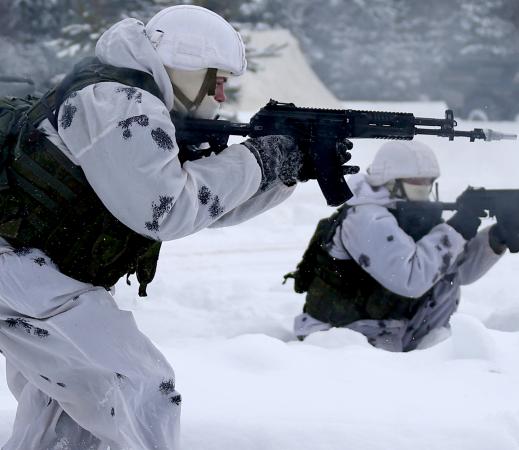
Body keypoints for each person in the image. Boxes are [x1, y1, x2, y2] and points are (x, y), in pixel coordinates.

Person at [0, 6, 326, 449]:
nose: (220, 96)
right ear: (185, 66)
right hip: (24, 275)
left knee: (69, 408)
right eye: (216, 80)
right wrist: (259, 160)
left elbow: (203, 206)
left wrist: (283, 172)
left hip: (36, 271)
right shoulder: (121, 105)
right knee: (137, 388)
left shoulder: (131, 102)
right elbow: (167, 210)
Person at [291, 141, 519, 352]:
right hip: (342, 337)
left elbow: (454, 272)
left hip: (386, 328)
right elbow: (410, 279)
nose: (424, 187)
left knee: (445, 282)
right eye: (417, 182)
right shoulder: (365, 217)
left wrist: (495, 239)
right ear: (391, 181)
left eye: (429, 182)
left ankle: (432, 352)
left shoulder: (409, 213)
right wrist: (456, 229)